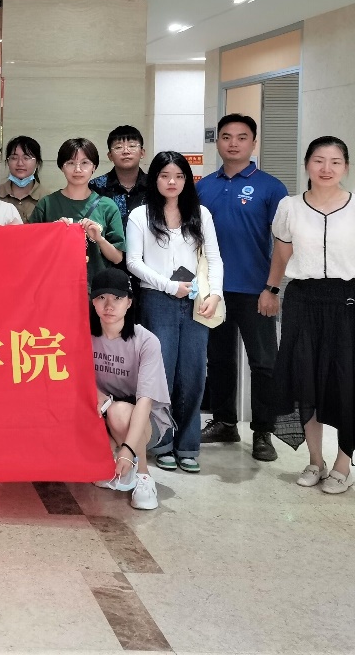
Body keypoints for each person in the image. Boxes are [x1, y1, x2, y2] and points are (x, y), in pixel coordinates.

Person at [269, 136, 355, 494]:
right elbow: (282, 255)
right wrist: (271, 289)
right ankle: (315, 460)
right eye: (319, 160)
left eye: (335, 162)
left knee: (346, 382)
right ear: (307, 164)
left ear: (346, 167)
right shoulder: (290, 207)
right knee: (304, 380)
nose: (326, 168)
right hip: (303, 300)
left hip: (348, 301)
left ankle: (342, 463)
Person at [196, 114, 290, 462]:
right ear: (217, 142)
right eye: (226, 137)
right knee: (219, 360)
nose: (233, 143)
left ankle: (264, 432)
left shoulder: (271, 187)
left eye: (241, 137)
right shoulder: (203, 187)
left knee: (264, 363)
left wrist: (272, 289)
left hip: (256, 291)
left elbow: (283, 244)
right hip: (214, 291)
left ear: (254, 142)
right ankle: (224, 422)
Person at [126, 151, 223, 473]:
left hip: (196, 300)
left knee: (193, 374)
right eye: (165, 176)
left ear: (187, 180)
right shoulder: (140, 215)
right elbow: (133, 262)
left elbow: (214, 258)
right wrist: (169, 286)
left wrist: (216, 294)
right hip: (157, 300)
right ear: (154, 179)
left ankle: (188, 445)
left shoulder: (200, 213)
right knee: (161, 374)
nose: (172, 182)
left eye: (179, 176)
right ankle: (162, 443)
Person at [89, 268, 172, 511]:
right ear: (92, 301)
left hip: (144, 419)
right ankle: (112, 460)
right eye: (101, 297)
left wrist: (127, 450)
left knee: (119, 412)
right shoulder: (84, 336)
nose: (109, 305)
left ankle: (143, 476)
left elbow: (145, 401)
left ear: (129, 302)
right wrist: (98, 395)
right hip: (101, 411)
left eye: (117, 298)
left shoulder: (146, 341)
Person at [28, 139, 125, 283]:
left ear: (94, 167)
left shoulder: (107, 206)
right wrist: (52, 233)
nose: (78, 169)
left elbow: (117, 258)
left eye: (85, 163)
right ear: (62, 167)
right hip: (56, 284)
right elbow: (30, 250)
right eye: (71, 163)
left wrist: (99, 239)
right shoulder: (47, 204)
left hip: (96, 288)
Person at [89, 125, 148, 230]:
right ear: (110, 156)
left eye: (132, 146)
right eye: (118, 147)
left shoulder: (154, 185)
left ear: (142, 153)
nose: (126, 151)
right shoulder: (96, 187)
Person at [0, 135, 45, 222]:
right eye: (14, 158)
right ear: (7, 162)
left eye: (26, 158)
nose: (20, 163)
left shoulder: (47, 199)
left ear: (37, 163)